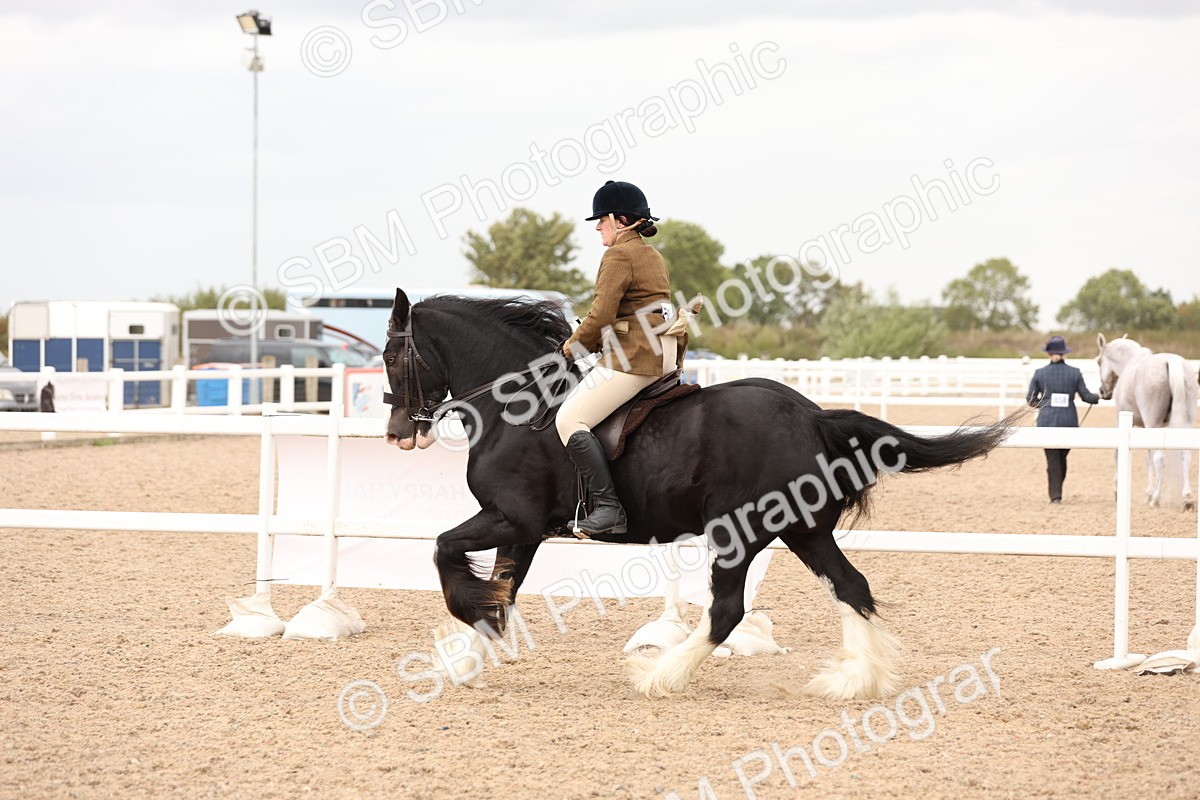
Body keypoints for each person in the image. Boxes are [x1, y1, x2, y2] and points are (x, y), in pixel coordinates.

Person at [557, 180, 678, 535]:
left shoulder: (618, 255)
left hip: (636, 356)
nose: (598, 228)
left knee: (569, 420)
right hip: (663, 351)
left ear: (620, 220)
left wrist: (571, 347)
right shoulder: (651, 254)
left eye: (602, 221)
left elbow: (600, 316)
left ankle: (610, 509)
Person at [1026, 335, 1100, 504]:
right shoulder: (1074, 373)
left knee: (1053, 459)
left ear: (1049, 354)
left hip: (1046, 422)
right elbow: (1086, 396)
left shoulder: (1040, 373)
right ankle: (1056, 494)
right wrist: (1097, 397)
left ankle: (1055, 495)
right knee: (1061, 458)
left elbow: (1030, 399)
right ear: (1064, 353)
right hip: (1069, 421)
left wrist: (1045, 404)